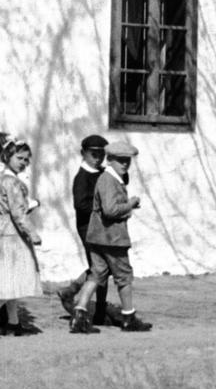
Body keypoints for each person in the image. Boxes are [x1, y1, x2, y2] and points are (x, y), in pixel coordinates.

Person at [69, 138, 152, 334]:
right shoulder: (108, 180)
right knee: (124, 276)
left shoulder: (107, 178)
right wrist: (129, 204)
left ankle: (79, 315)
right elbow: (110, 210)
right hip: (112, 239)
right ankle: (128, 317)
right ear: (111, 159)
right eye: (121, 160)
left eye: (128, 161)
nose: (125, 164)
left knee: (96, 275)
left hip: (97, 237)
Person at [0, 134, 42, 337]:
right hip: (11, 233)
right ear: (8, 156)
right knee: (16, 276)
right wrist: (32, 233)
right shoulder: (12, 182)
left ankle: (13, 322)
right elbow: (18, 213)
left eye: (26, 160)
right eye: (20, 158)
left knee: (8, 278)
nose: (24, 163)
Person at [56, 134, 111, 327]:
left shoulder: (102, 172)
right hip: (87, 227)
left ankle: (72, 291)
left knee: (103, 267)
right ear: (83, 154)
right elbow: (80, 204)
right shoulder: (82, 177)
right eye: (93, 154)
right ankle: (99, 311)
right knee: (101, 267)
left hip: (101, 226)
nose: (97, 158)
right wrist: (102, 208)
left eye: (101, 154)